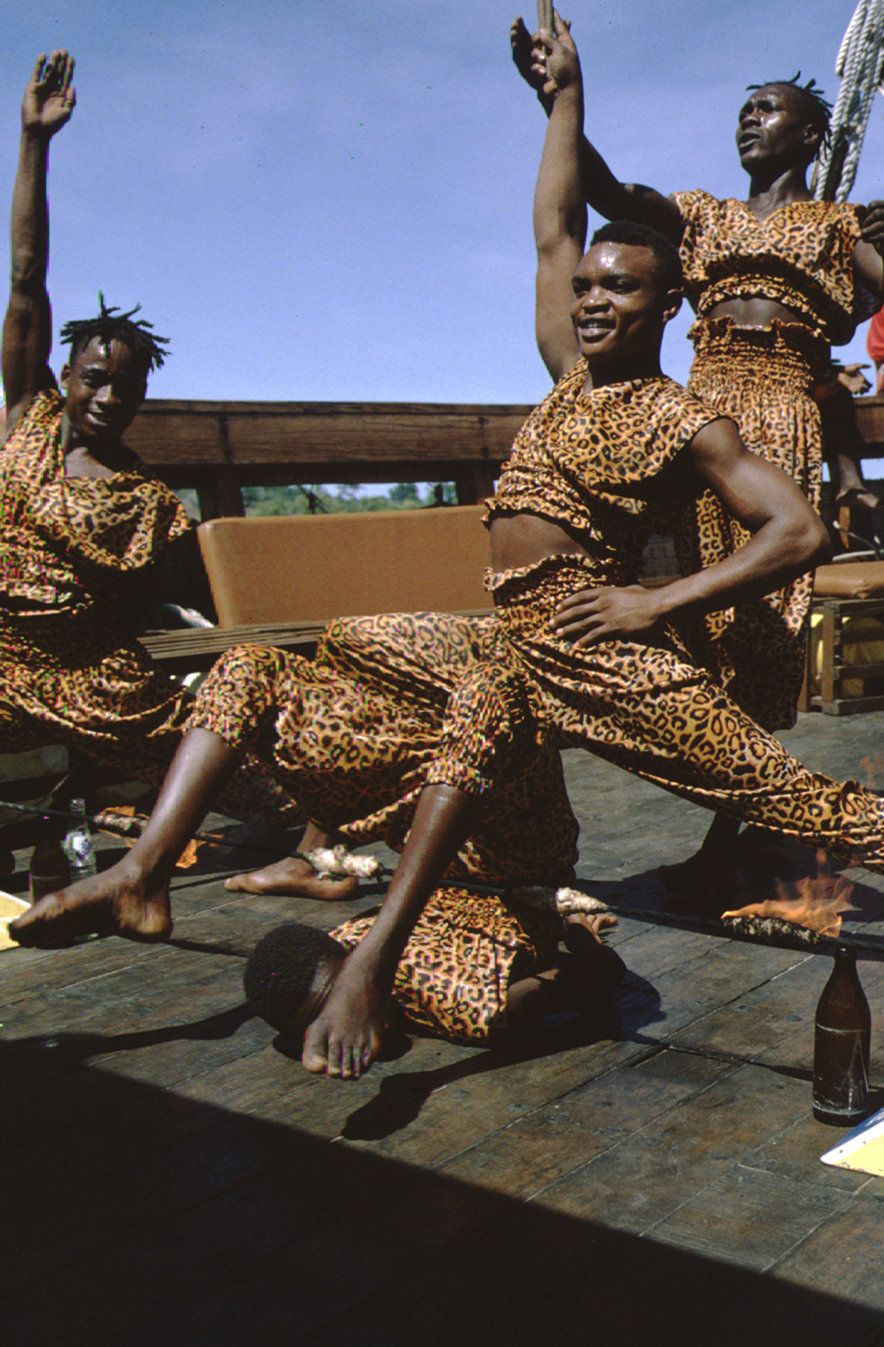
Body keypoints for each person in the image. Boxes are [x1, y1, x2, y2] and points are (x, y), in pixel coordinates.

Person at [12, 36, 884, 1090]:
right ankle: (140, 873)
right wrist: (564, 98)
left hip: (586, 642)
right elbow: (552, 225)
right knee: (278, 664)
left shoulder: (680, 415)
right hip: (504, 635)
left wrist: (658, 596)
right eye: (591, 286)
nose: (594, 298)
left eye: (621, 289)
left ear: (668, 310)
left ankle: (372, 960)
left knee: (798, 800)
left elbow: (797, 532)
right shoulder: (566, 376)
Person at [511, 11, 884, 879]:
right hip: (703, 403)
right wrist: (562, 97)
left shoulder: (838, 226)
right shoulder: (698, 216)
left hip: (785, 407)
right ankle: (738, 818)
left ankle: (736, 839)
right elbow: (603, 193)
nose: (748, 118)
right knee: (699, 622)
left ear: (812, 130)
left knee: (760, 627)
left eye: (769, 108)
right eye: (743, 108)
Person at [0, 52, 295, 860]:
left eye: (124, 389)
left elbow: (196, 596)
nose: (106, 398)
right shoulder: (26, 418)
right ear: (64, 375)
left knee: (271, 798)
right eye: (93, 379)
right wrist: (35, 144)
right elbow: (27, 275)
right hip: (0, 662)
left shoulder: (148, 499)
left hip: (97, 683)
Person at [244, 894, 624, 1056]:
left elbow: (605, 972)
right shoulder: (342, 940)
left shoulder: (453, 1001)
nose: (339, 1026)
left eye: (336, 1006)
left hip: (530, 898)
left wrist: (579, 932)